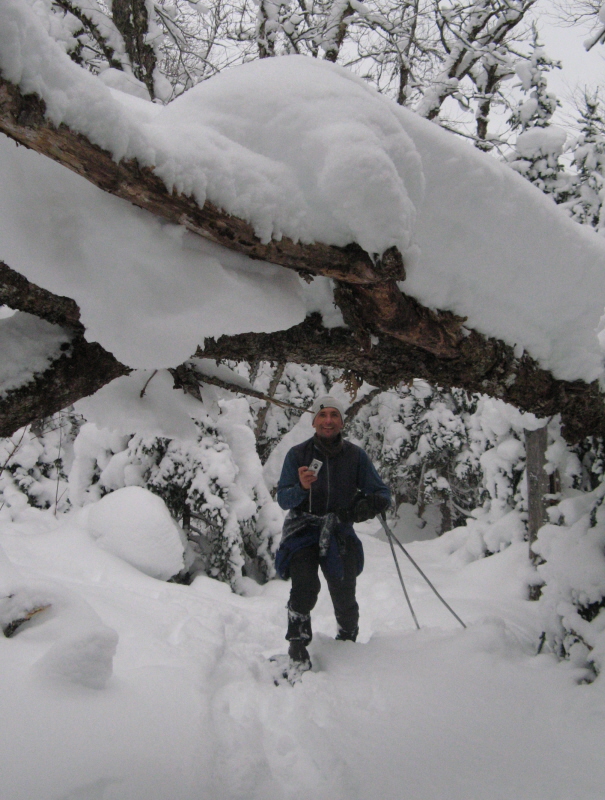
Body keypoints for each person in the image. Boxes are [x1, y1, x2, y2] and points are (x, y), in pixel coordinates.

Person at [275, 395, 391, 672]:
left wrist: (362, 507)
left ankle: (347, 641)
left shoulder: (355, 456)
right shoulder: (297, 455)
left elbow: (381, 494)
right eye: (323, 415)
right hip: (303, 530)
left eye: (334, 415)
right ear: (314, 421)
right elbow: (283, 500)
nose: (328, 420)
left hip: (339, 531)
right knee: (304, 586)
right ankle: (297, 646)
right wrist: (301, 488)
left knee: (344, 591)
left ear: (342, 421)